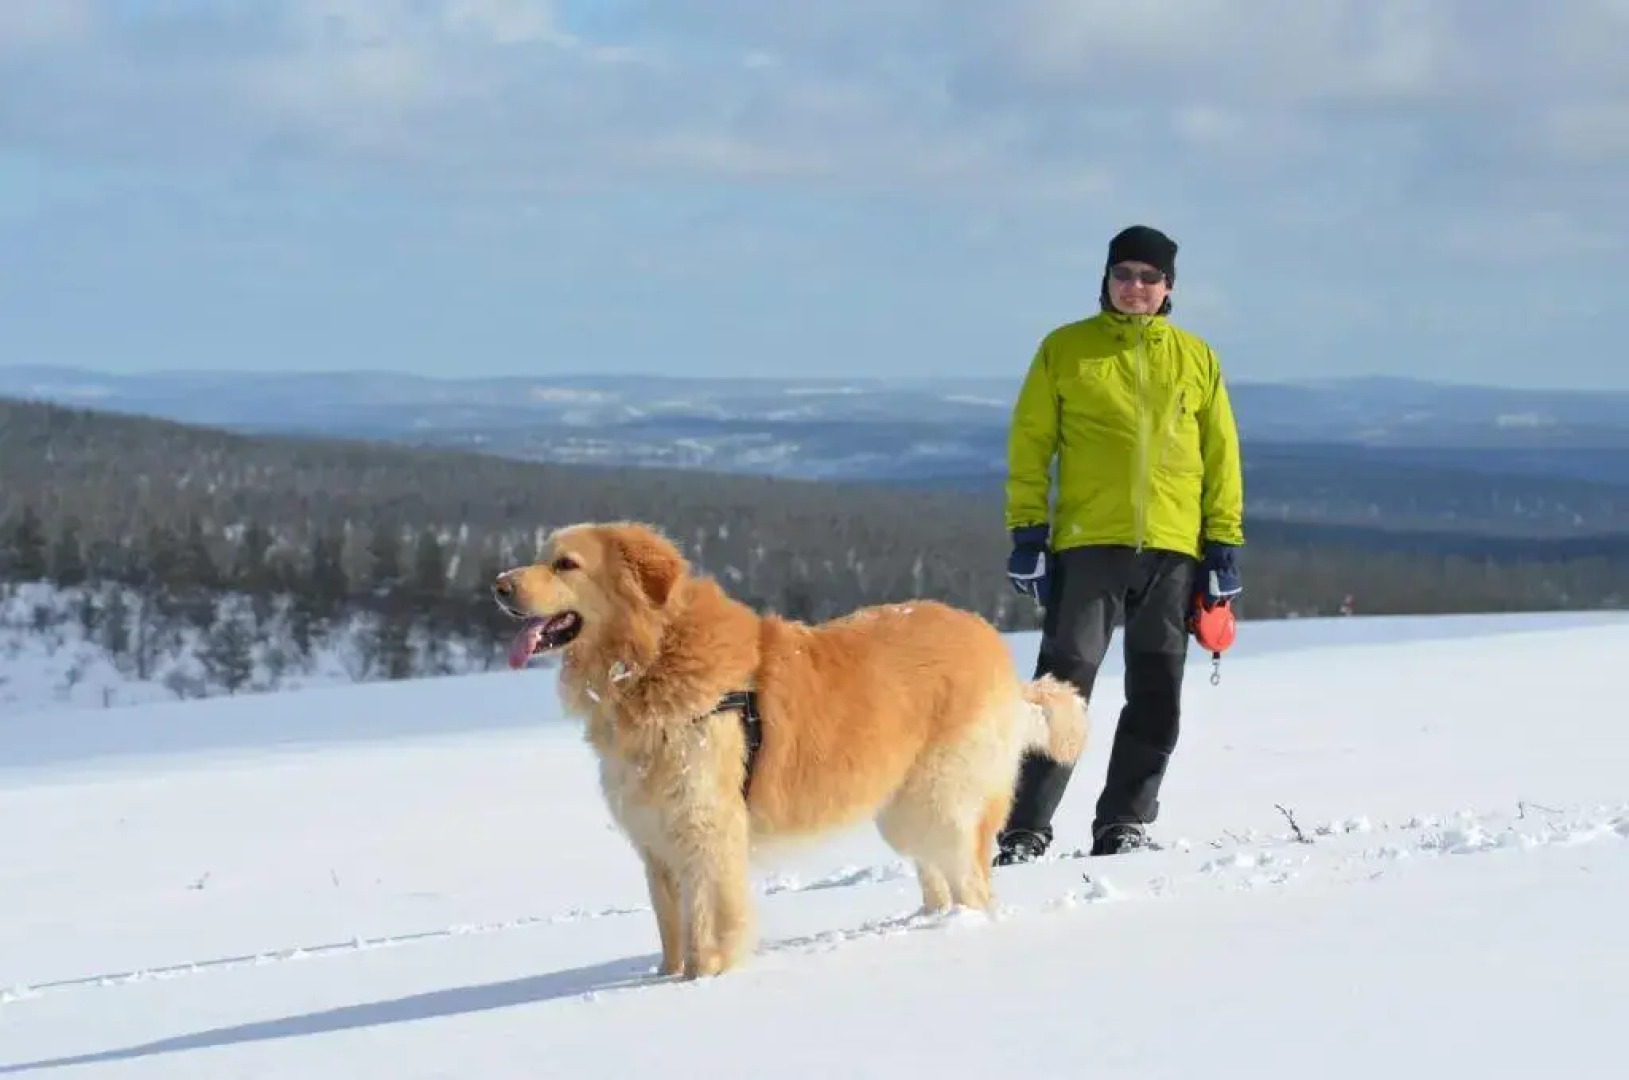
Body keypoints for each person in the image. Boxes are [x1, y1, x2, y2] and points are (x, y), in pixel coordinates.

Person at [997, 224, 1245, 862]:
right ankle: (1024, 829)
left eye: (1149, 277)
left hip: (1173, 550)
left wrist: (1223, 544)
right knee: (1060, 691)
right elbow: (1030, 446)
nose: (1136, 287)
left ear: (1169, 288)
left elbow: (1222, 457)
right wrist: (1028, 532)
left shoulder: (1196, 357)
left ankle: (1123, 823)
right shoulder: (1066, 350)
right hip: (1090, 546)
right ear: (1106, 279)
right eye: (1124, 274)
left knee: (1156, 690)